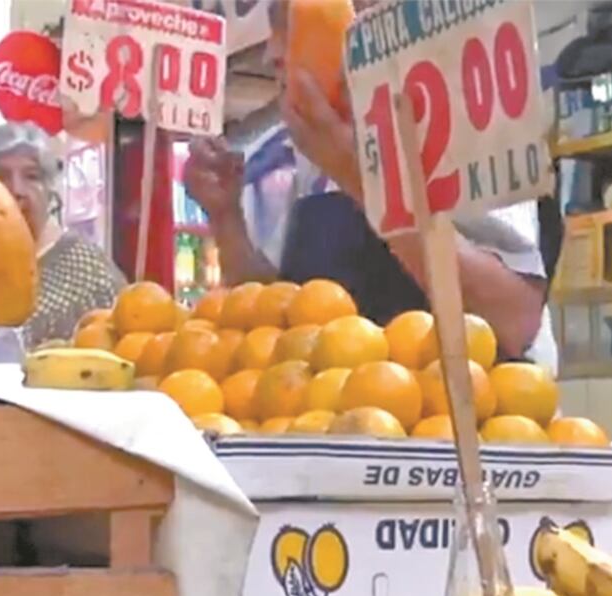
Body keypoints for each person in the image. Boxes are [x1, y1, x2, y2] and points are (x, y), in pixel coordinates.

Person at [183, 0, 559, 371]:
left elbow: (513, 318)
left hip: (452, 406)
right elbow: (280, 314)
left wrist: (359, 178)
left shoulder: (457, 123)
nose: (271, 54)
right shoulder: (311, 151)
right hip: (333, 408)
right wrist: (226, 217)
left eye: (288, 25)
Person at [0, 122, 127, 348]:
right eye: (0, 177)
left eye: (31, 176)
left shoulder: (89, 271)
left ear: (49, 188)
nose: (16, 190)